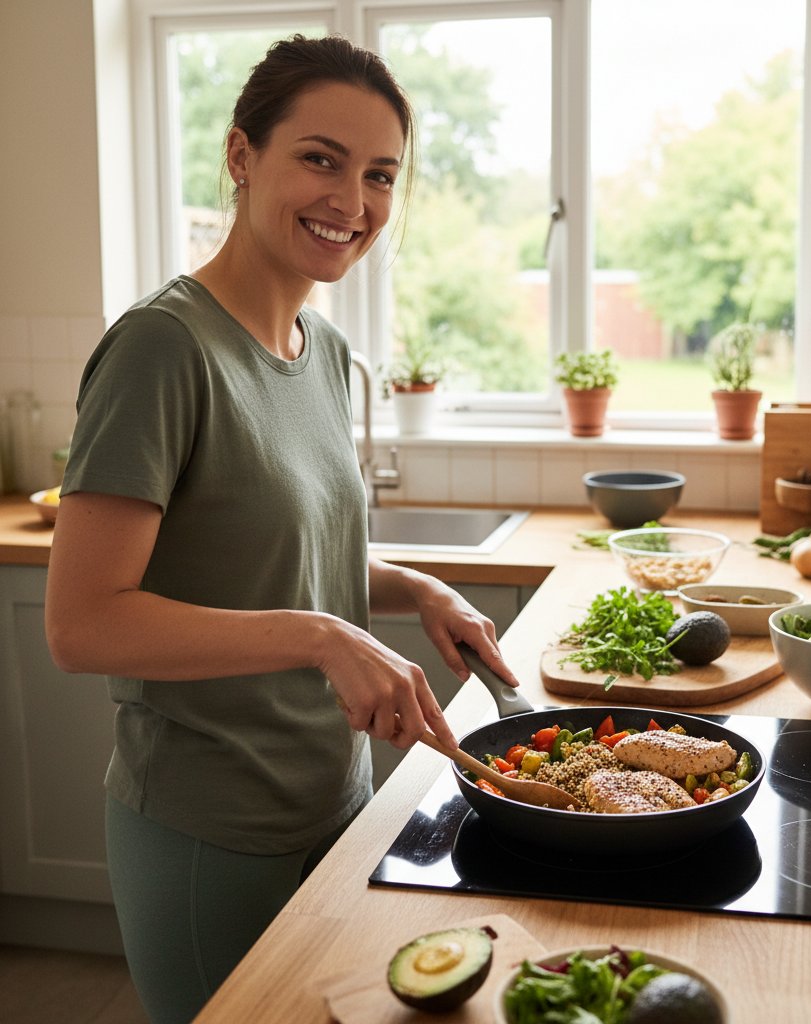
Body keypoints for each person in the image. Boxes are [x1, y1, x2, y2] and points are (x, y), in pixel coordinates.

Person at [44, 34, 519, 1024]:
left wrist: (415, 590)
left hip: (335, 797)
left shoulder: (323, 346)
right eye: (319, 158)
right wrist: (320, 633)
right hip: (208, 825)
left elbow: (285, 542)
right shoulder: (161, 350)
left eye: (379, 173)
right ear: (240, 155)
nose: (351, 198)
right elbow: (83, 624)